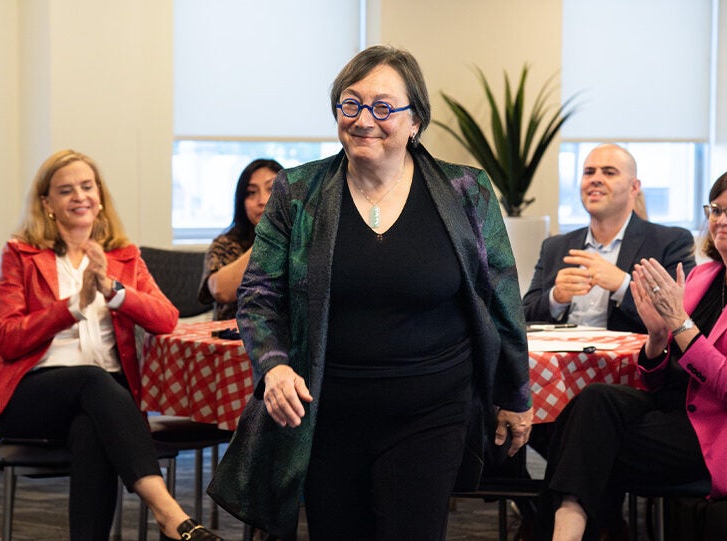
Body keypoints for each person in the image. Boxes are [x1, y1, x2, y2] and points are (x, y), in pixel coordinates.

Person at [207, 45, 533, 540]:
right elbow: (258, 295)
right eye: (350, 104)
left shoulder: (467, 189)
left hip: (433, 408)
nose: (363, 120)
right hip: (327, 411)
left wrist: (516, 395)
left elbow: (502, 297)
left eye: (383, 107)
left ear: (415, 121)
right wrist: (273, 367)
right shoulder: (297, 193)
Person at [532, 166, 727, 540]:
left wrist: (680, 323)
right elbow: (657, 377)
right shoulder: (703, 277)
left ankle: (563, 530)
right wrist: (658, 339)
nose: (722, 220)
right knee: (594, 402)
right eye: (715, 210)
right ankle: (578, 530)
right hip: (678, 412)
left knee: (584, 441)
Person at [0, 149, 222, 541]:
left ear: (100, 196)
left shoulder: (122, 256)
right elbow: (8, 339)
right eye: (66, 190)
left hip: (100, 402)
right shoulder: (21, 255)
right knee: (94, 381)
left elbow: (165, 318)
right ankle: (169, 513)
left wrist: (114, 291)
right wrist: (72, 306)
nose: (80, 196)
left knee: (91, 429)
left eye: (87, 186)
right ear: (47, 204)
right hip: (30, 395)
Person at [522, 144, 697, 333]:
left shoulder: (670, 242)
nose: (595, 179)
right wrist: (555, 298)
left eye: (609, 173)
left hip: (629, 361)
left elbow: (680, 321)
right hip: (558, 360)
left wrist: (622, 285)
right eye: (589, 172)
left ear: (634, 187)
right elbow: (522, 319)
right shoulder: (554, 247)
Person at [197, 158, 283, 320]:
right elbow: (220, 290)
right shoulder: (227, 244)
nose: (262, 201)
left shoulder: (304, 241)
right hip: (235, 337)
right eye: (251, 193)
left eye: (272, 189)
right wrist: (270, 237)